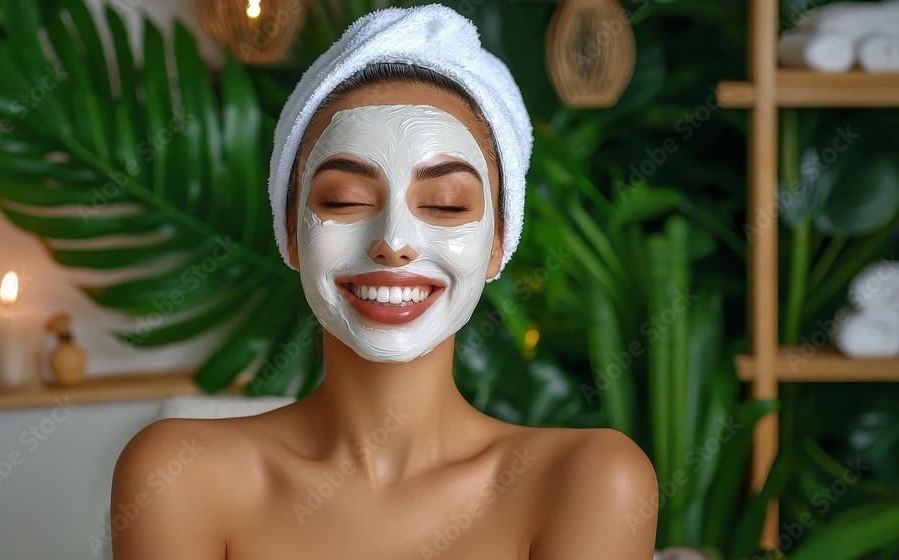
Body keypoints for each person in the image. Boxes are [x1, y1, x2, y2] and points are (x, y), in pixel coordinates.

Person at [111, 5, 659, 559]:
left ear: (498, 244)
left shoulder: (588, 483)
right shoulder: (178, 475)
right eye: (345, 200)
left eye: (445, 205)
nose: (393, 241)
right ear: (291, 234)